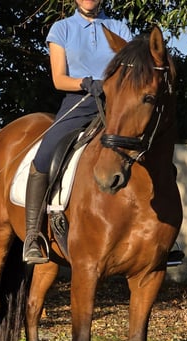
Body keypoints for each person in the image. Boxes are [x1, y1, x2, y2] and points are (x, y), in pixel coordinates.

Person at [22, 0, 132, 264]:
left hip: (116, 103)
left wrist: (112, 87)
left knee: (147, 146)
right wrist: (86, 82)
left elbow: (132, 70)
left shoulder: (120, 28)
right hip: (80, 101)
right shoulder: (62, 29)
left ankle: (164, 234)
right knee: (45, 155)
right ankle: (33, 235)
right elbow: (59, 79)